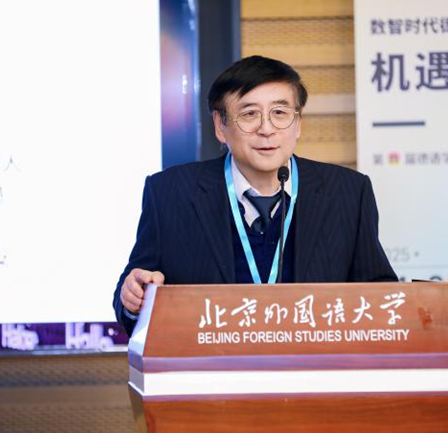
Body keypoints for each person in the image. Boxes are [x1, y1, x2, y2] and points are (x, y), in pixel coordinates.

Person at [114, 55, 397, 336]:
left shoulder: (348, 192)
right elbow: (132, 297)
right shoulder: (170, 193)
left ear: (298, 123)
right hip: (212, 363)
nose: (267, 129)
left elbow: (380, 295)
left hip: (316, 361)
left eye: (280, 113)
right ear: (220, 125)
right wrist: (134, 298)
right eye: (249, 114)